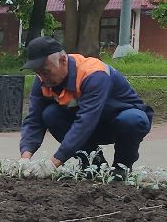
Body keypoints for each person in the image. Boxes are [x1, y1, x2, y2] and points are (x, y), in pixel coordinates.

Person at [17, 34, 153, 175]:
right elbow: (34, 119)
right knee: (50, 114)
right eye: (38, 73)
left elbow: (85, 121)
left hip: (119, 123)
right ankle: (94, 166)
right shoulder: (43, 80)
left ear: (63, 60)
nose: (42, 78)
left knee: (132, 120)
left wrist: (53, 164)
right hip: (88, 125)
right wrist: (25, 158)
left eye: (46, 71)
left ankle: (121, 169)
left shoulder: (94, 74)